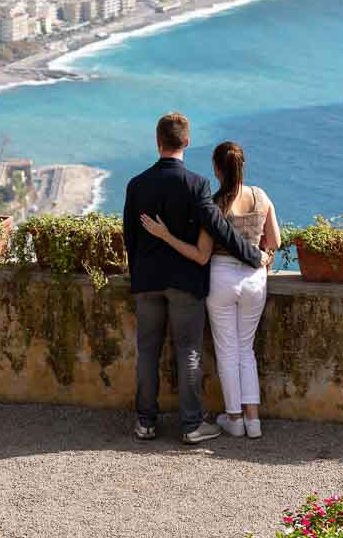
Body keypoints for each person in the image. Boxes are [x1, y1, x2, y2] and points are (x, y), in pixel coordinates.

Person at [123, 114, 272, 445]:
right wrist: (254, 256)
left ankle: (145, 422)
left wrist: (139, 274)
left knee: (147, 351)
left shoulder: (136, 185)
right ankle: (191, 425)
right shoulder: (196, 185)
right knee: (188, 351)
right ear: (187, 142)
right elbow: (221, 229)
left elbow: (129, 238)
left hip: (147, 281)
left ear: (157, 140)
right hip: (185, 282)